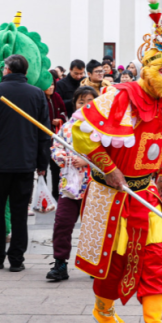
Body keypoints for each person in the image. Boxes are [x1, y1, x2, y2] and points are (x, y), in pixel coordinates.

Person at [70, 39, 162, 323]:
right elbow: (80, 133)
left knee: (156, 259)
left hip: (145, 194)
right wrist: (109, 168)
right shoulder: (119, 96)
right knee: (114, 264)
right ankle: (103, 309)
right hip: (112, 196)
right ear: (148, 71)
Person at [0, 54, 51, 272]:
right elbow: (44, 132)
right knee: (19, 213)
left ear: (6, 70)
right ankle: (17, 259)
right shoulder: (37, 94)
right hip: (25, 162)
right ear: (25, 72)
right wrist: (42, 163)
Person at [46, 86, 99, 282]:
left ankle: (95, 265)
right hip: (69, 186)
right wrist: (67, 159)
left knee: (94, 226)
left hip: (95, 186)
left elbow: (110, 153)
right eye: (81, 102)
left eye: (90, 102)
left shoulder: (103, 128)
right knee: (62, 223)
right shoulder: (67, 127)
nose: (85, 106)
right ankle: (60, 263)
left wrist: (88, 161)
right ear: (75, 104)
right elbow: (56, 149)